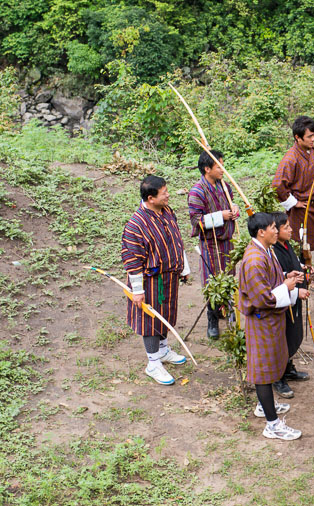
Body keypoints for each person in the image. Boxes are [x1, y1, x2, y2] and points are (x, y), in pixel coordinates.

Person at [237, 212, 304, 441]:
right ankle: (272, 424)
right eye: (274, 228)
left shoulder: (265, 250)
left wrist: (286, 276)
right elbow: (262, 298)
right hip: (262, 321)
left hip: (270, 321)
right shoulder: (254, 260)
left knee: (270, 364)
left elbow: (270, 279)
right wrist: (286, 286)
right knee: (263, 371)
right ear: (261, 232)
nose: (278, 231)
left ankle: (263, 406)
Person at [121, 175, 192, 386]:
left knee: (166, 315)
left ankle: (162, 351)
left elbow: (176, 240)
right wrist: (137, 290)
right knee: (151, 320)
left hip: (169, 276)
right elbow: (132, 260)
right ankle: (153, 363)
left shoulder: (167, 212)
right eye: (164, 193)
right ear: (151, 198)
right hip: (150, 282)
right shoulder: (136, 225)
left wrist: (183, 266)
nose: (168, 195)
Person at [273, 116, 314, 292]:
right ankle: (309, 276)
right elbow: (278, 186)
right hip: (304, 210)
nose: (313, 139)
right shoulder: (290, 158)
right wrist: (294, 203)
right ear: (298, 137)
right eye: (309, 136)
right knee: (304, 245)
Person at [188, 149, 239, 339]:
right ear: (207, 169)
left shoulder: (225, 186)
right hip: (211, 243)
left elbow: (232, 205)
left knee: (230, 276)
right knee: (212, 280)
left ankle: (228, 310)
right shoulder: (197, 191)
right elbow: (196, 221)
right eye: (219, 166)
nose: (223, 170)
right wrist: (221, 216)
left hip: (227, 240)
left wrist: (234, 210)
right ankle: (212, 318)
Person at [269, 212, 312, 399]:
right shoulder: (273, 251)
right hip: (283, 301)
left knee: (294, 334)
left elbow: (290, 267)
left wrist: (301, 269)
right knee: (283, 338)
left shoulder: (286, 245)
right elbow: (276, 278)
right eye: (286, 227)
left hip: (294, 299)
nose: (290, 229)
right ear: (276, 231)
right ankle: (277, 377)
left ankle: (287, 368)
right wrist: (295, 290)